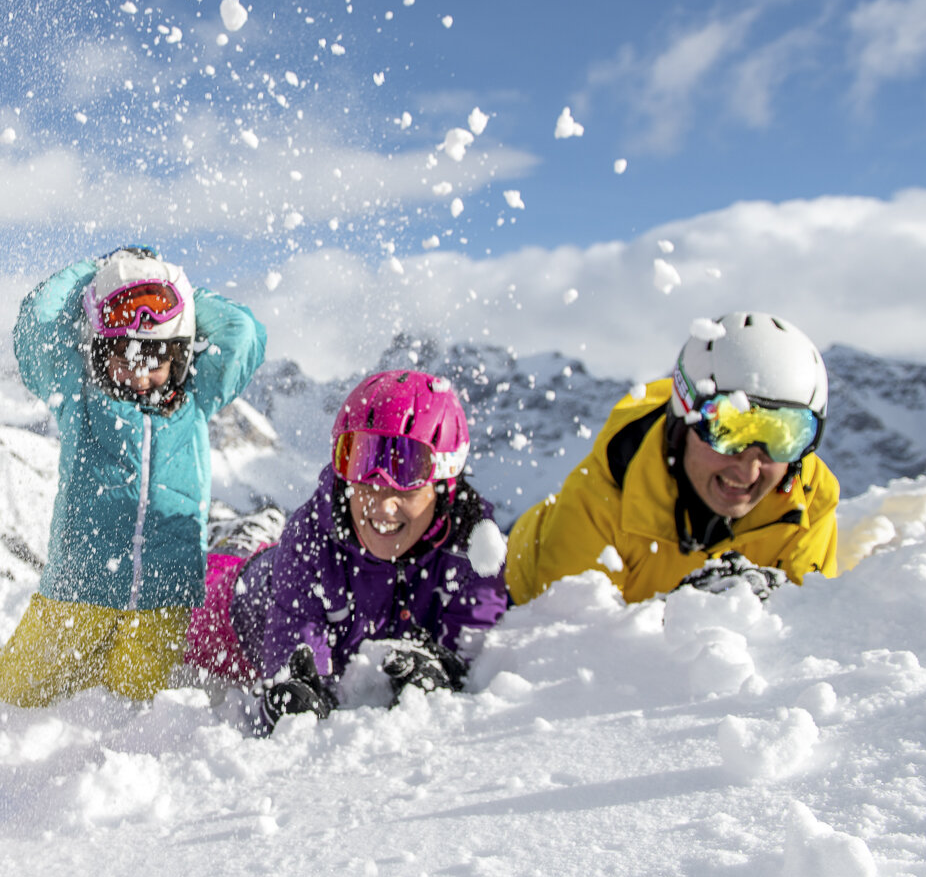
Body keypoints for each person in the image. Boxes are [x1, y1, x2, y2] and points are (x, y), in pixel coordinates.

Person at [0, 246, 265, 721]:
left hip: (164, 602)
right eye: (124, 355)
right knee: (21, 684)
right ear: (100, 350)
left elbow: (244, 334)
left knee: (132, 705)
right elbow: (38, 322)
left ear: (181, 354)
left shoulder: (195, 401)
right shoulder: (79, 396)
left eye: (155, 355)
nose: (139, 372)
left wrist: (172, 287)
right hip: (79, 593)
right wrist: (98, 274)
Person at [204, 370, 509, 730]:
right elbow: (292, 664)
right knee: (186, 605)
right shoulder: (312, 539)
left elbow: (468, 658)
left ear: (444, 484)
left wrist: (441, 672)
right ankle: (242, 536)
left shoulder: (473, 553)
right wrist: (297, 695)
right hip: (241, 608)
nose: (383, 505)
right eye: (363, 472)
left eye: (407, 483)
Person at [505, 311, 838, 606]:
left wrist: (778, 609)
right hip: (512, 593)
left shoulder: (807, 498)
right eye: (727, 429)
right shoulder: (599, 500)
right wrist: (678, 614)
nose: (749, 468)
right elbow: (568, 651)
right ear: (682, 419)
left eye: (783, 437)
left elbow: (808, 639)